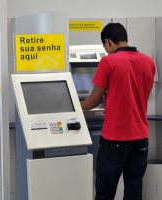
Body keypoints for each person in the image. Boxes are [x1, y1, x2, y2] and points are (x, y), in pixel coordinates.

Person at [80, 23, 156, 200]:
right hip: (141, 138)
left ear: (108, 42)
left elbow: (94, 99)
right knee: (134, 188)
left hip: (115, 138)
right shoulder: (148, 62)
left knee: (105, 189)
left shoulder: (108, 61)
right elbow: (142, 93)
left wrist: (76, 106)